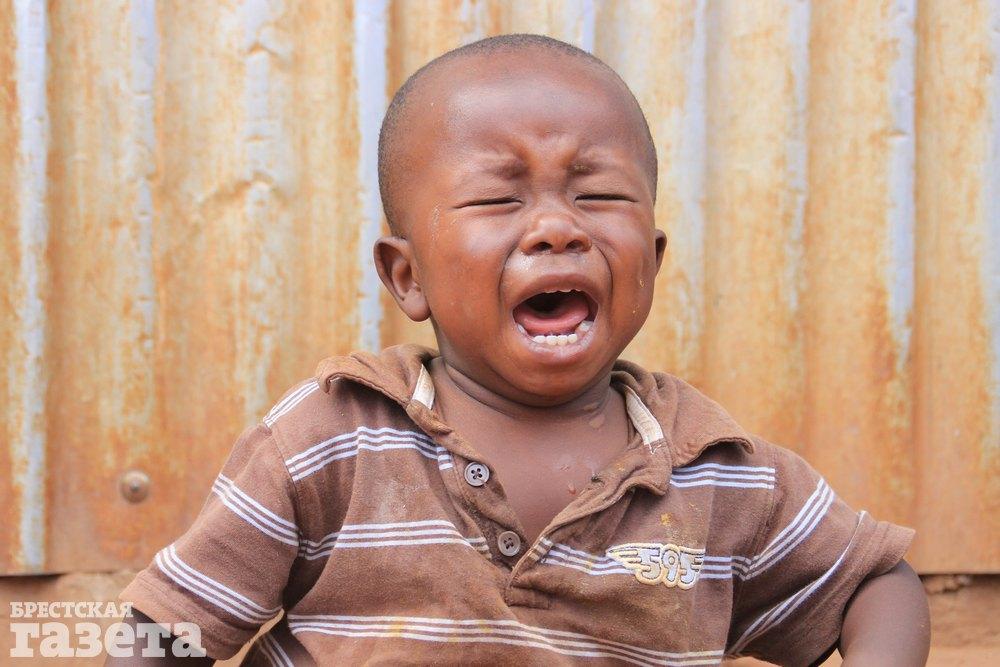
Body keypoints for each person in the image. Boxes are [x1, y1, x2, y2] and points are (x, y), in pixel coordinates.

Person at [108, 34, 930, 666]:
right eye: (498, 199)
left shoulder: (712, 472)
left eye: (598, 194)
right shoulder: (331, 441)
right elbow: (163, 628)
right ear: (407, 276)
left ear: (651, 258)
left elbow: (874, 581)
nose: (557, 227)